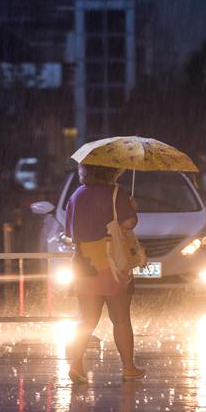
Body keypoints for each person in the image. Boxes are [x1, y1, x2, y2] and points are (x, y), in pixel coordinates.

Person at [65, 163, 145, 383]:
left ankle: (76, 363)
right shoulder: (117, 193)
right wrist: (132, 208)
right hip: (112, 264)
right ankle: (128, 367)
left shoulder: (77, 195)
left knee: (86, 319)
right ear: (111, 170)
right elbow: (129, 223)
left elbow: (70, 232)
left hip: (83, 264)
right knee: (120, 319)